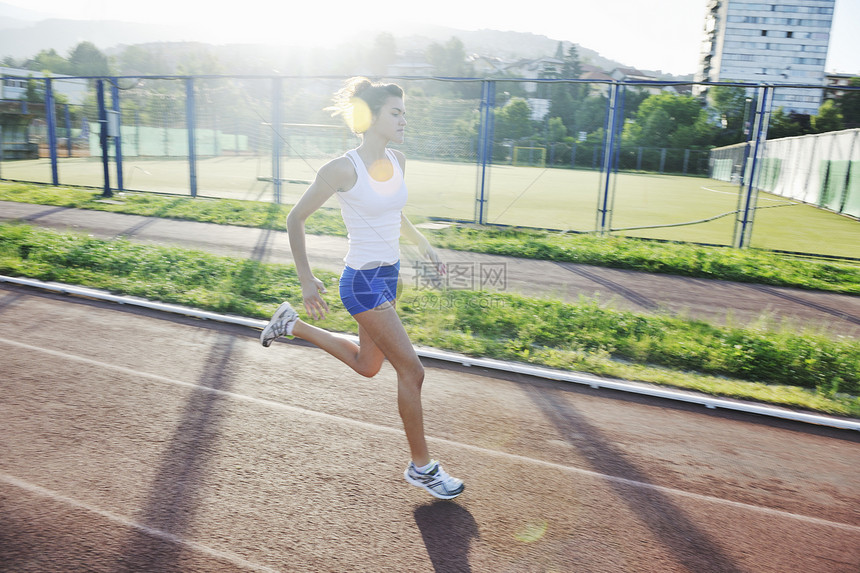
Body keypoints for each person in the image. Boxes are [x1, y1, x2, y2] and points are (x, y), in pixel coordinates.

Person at [260, 77, 464, 500]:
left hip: (389, 277)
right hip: (362, 283)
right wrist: (305, 277)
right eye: (396, 112)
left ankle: (291, 325)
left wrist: (424, 246)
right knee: (412, 370)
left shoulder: (399, 160)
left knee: (368, 366)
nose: (404, 118)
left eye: (404, 111)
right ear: (371, 117)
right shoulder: (342, 169)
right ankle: (422, 467)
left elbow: (396, 213)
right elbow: (294, 218)